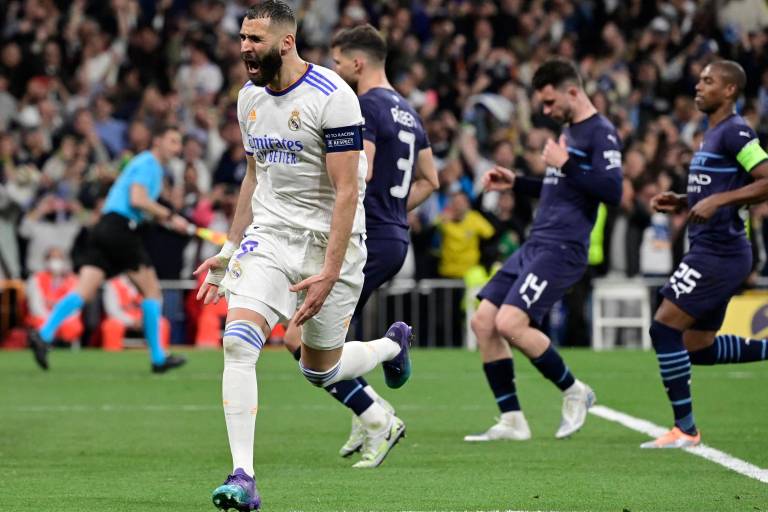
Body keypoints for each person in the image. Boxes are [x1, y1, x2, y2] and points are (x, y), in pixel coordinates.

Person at [193, 4, 414, 510]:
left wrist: (330, 271)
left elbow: (347, 190)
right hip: (270, 236)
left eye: (255, 39)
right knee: (238, 342)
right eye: (243, 37)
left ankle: (390, 346)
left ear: (287, 42)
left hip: (331, 245)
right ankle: (243, 476)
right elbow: (254, 176)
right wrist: (228, 250)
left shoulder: (332, 97)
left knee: (319, 371)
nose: (245, 48)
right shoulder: (248, 98)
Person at [276, 23, 438, 464]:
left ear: (358, 63)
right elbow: (430, 180)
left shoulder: (364, 105)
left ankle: (375, 416)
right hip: (393, 236)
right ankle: (366, 413)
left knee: (297, 337)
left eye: (338, 61)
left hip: (365, 238)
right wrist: (393, 212)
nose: (334, 69)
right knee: (331, 337)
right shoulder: (409, 111)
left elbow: (357, 172)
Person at [465, 58, 623, 442]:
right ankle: (512, 420)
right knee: (483, 321)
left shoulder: (601, 132)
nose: (547, 111)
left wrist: (566, 164)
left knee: (510, 323)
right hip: (537, 242)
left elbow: (613, 190)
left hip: (563, 247)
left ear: (573, 91)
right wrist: (517, 182)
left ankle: (574, 390)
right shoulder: (569, 131)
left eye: (551, 102)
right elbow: (560, 187)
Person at [643, 60, 768, 449]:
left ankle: (685, 429)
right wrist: (684, 200)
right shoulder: (712, 133)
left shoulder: (736, 131)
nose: (698, 86)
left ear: (729, 90)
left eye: (708, 81)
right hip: (712, 249)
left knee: (664, 328)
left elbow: (765, 179)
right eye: (699, 79)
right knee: (697, 347)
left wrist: (718, 201)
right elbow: (719, 189)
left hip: (720, 252)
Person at [27, 124, 190, 373]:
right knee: (152, 292)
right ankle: (158, 358)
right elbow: (138, 200)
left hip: (105, 227)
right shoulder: (148, 163)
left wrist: (167, 220)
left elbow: (142, 205)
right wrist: (169, 215)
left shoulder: (147, 165)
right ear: (157, 141)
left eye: (178, 143)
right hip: (120, 230)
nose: (177, 148)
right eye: (172, 141)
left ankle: (44, 334)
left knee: (83, 290)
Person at [25, 247, 82, 345]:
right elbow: (35, 306)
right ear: (46, 261)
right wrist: (52, 320)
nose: (56, 261)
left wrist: (60, 319)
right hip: (43, 316)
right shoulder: (36, 279)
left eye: (59, 258)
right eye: (52, 258)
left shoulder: (73, 280)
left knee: (73, 326)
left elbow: (75, 307)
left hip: (65, 319)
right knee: (41, 324)